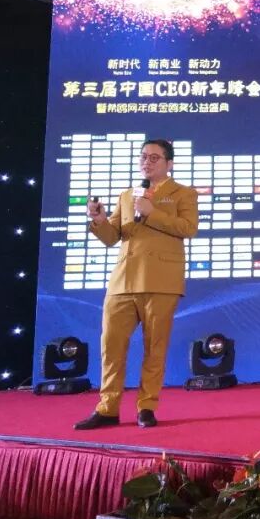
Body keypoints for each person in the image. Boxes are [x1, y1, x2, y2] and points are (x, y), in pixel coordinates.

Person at [74, 139, 199, 429]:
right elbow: (111, 237)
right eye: (144, 157)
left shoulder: (184, 193)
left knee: (154, 347)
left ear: (169, 163)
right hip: (123, 281)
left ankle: (146, 407)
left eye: (155, 158)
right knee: (111, 345)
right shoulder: (127, 195)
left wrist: (152, 211)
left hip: (161, 281)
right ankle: (107, 408)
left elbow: (188, 228)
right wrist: (99, 220)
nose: (147, 162)